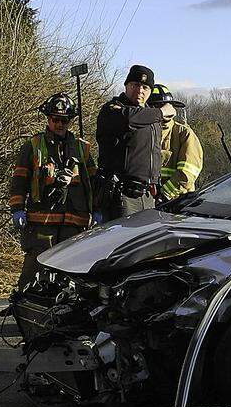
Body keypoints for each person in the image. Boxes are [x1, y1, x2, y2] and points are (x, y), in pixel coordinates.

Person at [9, 92, 95, 288]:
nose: (60, 124)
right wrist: (17, 208)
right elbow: (19, 181)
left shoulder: (82, 149)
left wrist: (97, 210)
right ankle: (22, 306)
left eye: (65, 120)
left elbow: (93, 182)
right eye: (55, 119)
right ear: (48, 119)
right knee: (35, 268)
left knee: (71, 273)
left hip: (74, 223)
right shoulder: (33, 146)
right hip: (42, 223)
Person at [95, 65, 174, 220]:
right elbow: (129, 118)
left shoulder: (151, 115)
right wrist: (162, 112)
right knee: (123, 242)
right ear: (126, 86)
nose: (140, 91)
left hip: (148, 195)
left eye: (145, 87)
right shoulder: (113, 109)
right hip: (122, 195)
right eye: (135, 85)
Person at [148, 84, 204, 201]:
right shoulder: (141, 133)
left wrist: (164, 195)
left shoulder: (183, 133)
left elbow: (188, 172)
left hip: (176, 203)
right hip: (146, 201)